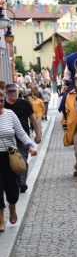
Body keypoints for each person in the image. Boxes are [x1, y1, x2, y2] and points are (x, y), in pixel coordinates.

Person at [0, 87, 37, 231]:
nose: (0, 104)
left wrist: (30, 146)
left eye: (1, 101)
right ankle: (1, 218)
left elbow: (20, 132)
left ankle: (12, 206)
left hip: (10, 155)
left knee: (12, 188)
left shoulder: (10, 114)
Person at [4, 83, 42, 193]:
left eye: (13, 91)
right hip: (9, 139)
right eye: (9, 91)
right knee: (11, 160)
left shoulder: (25, 103)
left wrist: (38, 134)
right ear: (6, 93)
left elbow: (33, 119)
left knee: (23, 159)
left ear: (18, 91)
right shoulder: (3, 106)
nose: (12, 93)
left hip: (23, 136)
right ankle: (15, 181)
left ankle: (21, 182)